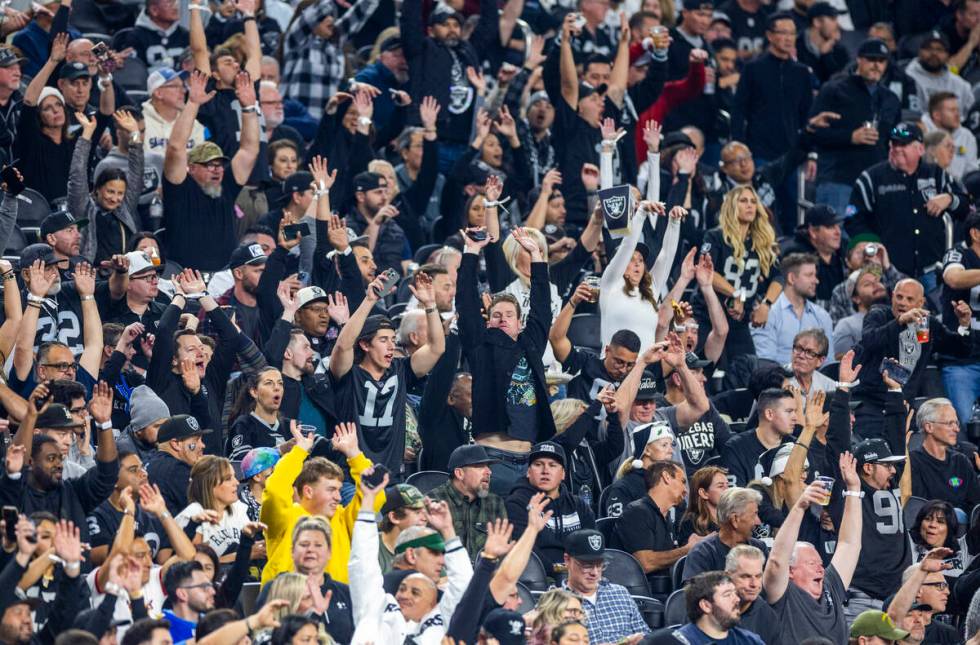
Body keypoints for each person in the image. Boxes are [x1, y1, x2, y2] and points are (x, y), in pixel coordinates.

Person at [458, 227, 557, 493]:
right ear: (487, 322)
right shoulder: (480, 346)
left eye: (508, 315)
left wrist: (536, 255)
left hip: (531, 463)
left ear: (519, 323)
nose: (502, 319)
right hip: (492, 460)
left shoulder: (531, 344)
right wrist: (470, 252)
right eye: (495, 315)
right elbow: (466, 305)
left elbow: (542, 309)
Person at [329, 272, 444, 474]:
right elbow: (343, 346)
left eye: (393, 340)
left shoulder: (400, 370)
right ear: (364, 344)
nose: (391, 347)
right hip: (351, 475)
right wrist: (369, 300)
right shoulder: (349, 374)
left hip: (391, 474)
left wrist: (430, 305)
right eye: (383, 340)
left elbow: (436, 348)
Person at [349, 468, 473, 643]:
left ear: (433, 602)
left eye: (416, 592)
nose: (404, 596)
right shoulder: (379, 614)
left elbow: (465, 588)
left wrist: (448, 531)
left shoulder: (440, 620)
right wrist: (368, 500)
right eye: (401, 589)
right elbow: (362, 566)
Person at [846, 121, 969, 289]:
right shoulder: (871, 178)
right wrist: (873, 246)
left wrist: (949, 198)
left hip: (932, 269)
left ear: (920, 149)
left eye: (903, 144)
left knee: (932, 315)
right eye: (893, 143)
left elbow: (966, 208)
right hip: (887, 271)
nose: (896, 148)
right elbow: (853, 220)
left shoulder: (937, 175)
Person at [851, 279, 975, 438]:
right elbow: (870, 341)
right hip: (871, 405)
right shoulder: (878, 314)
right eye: (899, 297)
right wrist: (899, 322)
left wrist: (964, 325)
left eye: (909, 299)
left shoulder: (927, 324)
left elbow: (961, 350)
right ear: (892, 297)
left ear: (921, 302)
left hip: (902, 408)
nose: (903, 303)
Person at [162, 69, 259, 271]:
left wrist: (249, 108)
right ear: (192, 168)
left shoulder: (225, 188)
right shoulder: (180, 189)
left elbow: (249, 150)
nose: (217, 170)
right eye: (209, 165)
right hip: (184, 278)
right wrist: (193, 103)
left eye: (219, 165)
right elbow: (175, 147)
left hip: (223, 280)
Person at [259, 422, 379, 585]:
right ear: (308, 491)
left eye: (339, 490)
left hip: (336, 606)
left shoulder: (343, 519)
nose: (338, 497)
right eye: (331, 490)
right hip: (288, 605)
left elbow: (375, 497)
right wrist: (299, 451)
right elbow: (275, 491)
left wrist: (354, 454)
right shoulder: (284, 518)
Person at [763, 455, 863, 644]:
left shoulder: (829, 585)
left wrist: (853, 490)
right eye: (811, 563)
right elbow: (777, 559)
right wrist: (800, 507)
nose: (820, 569)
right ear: (790, 571)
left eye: (819, 563)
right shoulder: (782, 595)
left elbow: (850, 544)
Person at [809, 37, 901, 217]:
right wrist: (850, 137)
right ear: (859, 59)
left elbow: (894, 138)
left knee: (874, 242)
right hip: (838, 179)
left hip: (877, 182)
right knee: (836, 239)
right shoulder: (834, 90)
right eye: (871, 59)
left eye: (881, 61)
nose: (876, 65)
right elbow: (814, 133)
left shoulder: (891, 98)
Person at [695, 185, 780, 360]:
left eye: (753, 202)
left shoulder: (761, 242)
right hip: (707, 317)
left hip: (738, 322)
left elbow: (779, 277)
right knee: (707, 371)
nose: (750, 205)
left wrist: (766, 304)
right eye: (743, 201)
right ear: (732, 205)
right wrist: (736, 294)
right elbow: (706, 271)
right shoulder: (715, 236)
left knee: (747, 370)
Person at [840, 438, 911, 622]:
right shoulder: (850, 494)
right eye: (887, 465)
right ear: (868, 468)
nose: (893, 471)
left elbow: (895, 431)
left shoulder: (892, 487)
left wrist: (897, 412)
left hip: (896, 597)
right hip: (861, 599)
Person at [506, 442, 595, 570]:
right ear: (528, 472)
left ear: (563, 474)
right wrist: (556, 570)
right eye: (538, 464)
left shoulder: (579, 505)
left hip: (577, 575)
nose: (545, 471)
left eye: (552, 465)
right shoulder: (516, 504)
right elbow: (524, 549)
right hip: (537, 577)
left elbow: (591, 545)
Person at [616, 460, 701, 584]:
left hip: (663, 589)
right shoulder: (637, 512)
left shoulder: (665, 516)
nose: (686, 490)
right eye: (682, 481)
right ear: (666, 477)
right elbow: (645, 563)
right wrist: (688, 549)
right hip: (640, 593)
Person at [560, 529, 649, 643]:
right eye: (587, 565)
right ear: (567, 560)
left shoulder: (620, 593)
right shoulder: (555, 604)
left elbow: (645, 634)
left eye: (600, 565)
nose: (595, 573)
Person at [428, 445, 509, 561]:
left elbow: (504, 551)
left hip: (485, 573)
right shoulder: (434, 502)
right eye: (480, 466)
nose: (489, 472)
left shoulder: (495, 503)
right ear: (459, 473)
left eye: (488, 467)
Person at [752, 253, 835, 365]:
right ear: (791, 278)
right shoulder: (768, 313)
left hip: (816, 381)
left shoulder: (823, 316)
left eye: (815, 275)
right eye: (809, 275)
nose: (816, 281)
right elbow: (765, 361)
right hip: (776, 379)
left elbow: (828, 363)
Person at [939, 212, 980, 431]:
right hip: (962, 362)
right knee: (962, 429)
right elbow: (953, 278)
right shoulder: (957, 253)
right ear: (975, 233)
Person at [645, 571, 765, 644]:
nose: (737, 599)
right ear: (706, 605)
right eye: (727, 595)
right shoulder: (680, 642)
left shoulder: (751, 641)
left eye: (735, 593)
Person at [683, 487, 768, 582]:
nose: (758, 521)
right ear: (735, 519)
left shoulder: (759, 548)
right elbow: (693, 593)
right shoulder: (701, 553)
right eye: (754, 514)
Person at [910, 398, 980, 511]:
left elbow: (976, 505)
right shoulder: (913, 463)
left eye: (956, 423)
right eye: (950, 423)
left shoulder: (961, 461)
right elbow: (918, 509)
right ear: (929, 427)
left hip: (962, 527)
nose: (957, 429)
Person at [721, 388, 797, 485]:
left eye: (795, 411)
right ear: (769, 414)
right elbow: (736, 498)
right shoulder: (735, 449)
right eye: (789, 411)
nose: (795, 418)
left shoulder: (795, 446)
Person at [906, 31, 974, 115]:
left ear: (948, 54)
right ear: (919, 51)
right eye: (929, 48)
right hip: (916, 126)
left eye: (940, 49)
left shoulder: (960, 85)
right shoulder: (906, 77)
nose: (934, 53)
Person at [142, 68, 207, 156]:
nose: (183, 91)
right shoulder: (140, 123)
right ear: (158, 93)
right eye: (175, 86)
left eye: (183, 86)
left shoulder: (194, 125)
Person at [724, 544, 779, 644]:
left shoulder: (767, 616)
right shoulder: (708, 608)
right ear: (728, 576)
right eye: (746, 576)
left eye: (758, 576)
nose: (754, 584)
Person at [833, 266, 888, 359]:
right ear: (856, 298)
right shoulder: (847, 325)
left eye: (878, 281)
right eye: (867, 284)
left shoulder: (898, 316)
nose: (876, 285)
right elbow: (842, 363)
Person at [923, 91, 978, 180]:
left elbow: (971, 171)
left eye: (957, 110)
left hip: (958, 187)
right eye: (952, 110)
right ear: (936, 115)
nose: (957, 114)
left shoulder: (967, 136)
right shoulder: (922, 131)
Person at [161, 561, 215, 642]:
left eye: (210, 585)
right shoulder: (161, 630)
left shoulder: (215, 623)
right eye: (204, 586)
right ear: (182, 594)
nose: (213, 591)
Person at [796, 2, 849, 83]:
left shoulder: (839, 49)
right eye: (832, 19)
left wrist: (826, 56)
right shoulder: (795, 45)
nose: (838, 25)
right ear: (817, 22)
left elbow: (841, 84)